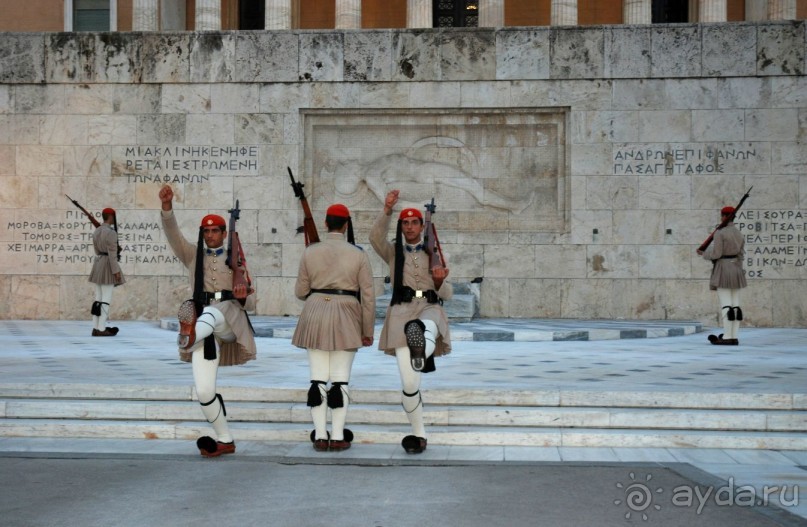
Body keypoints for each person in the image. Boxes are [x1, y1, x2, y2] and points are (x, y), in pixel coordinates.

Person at [158, 184, 257, 457]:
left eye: (215, 231)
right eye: (207, 231)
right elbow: (173, 235)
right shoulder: (193, 256)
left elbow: (254, 303)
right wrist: (167, 208)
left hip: (228, 321)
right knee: (203, 391)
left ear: (224, 234)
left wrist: (243, 294)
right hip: (205, 328)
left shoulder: (236, 261)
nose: (211, 235)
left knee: (213, 312)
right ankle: (225, 439)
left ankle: (188, 334)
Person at [369, 189, 452, 454]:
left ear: (421, 225)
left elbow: (447, 293)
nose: (410, 226)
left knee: (425, 327)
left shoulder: (433, 252)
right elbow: (374, 237)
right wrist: (386, 210)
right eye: (405, 223)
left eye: (415, 222)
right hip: (402, 311)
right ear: (401, 227)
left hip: (428, 307)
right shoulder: (394, 252)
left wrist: (438, 281)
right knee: (409, 383)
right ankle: (419, 435)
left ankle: (421, 349)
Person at [292, 203, 376, 452]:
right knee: (340, 380)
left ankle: (319, 435)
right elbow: (368, 296)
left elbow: (300, 292)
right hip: (347, 313)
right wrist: (367, 329)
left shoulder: (310, 252)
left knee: (318, 378)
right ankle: (338, 436)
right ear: (347, 225)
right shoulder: (359, 254)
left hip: (316, 311)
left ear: (326, 224)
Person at [697, 205, 747, 345]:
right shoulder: (739, 233)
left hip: (724, 269)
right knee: (735, 305)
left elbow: (717, 254)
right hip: (736, 269)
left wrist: (704, 253)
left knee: (726, 305)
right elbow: (741, 255)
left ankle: (726, 337)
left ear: (724, 217)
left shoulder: (720, 233)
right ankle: (733, 336)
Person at [88, 207, 124, 336]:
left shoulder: (97, 231)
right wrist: (116, 271)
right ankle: (102, 329)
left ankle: (95, 327)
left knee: (98, 298)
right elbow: (113, 255)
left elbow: (97, 251)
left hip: (98, 264)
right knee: (106, 299)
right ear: (110, 217)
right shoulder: (111, 233)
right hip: (108, 265)